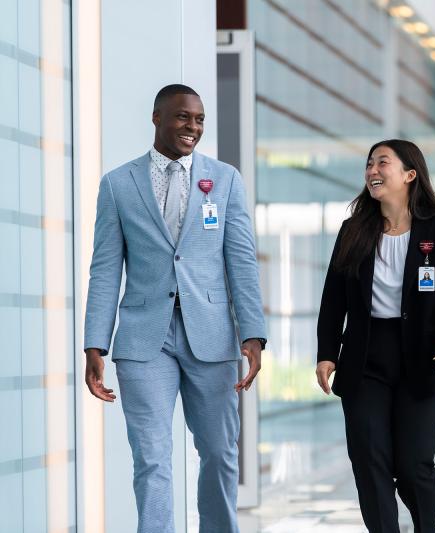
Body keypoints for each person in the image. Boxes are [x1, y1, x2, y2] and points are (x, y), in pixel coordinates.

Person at [83, 84, 266, 533]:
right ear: (157, 117)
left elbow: (240, 259)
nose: (193, 127)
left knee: (220, 452)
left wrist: (253, 333)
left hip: (213, 333)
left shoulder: (224, 180)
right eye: (184, 117)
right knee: (151, 456)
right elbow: (105, 269)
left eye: (200, 119)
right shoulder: (117, 184)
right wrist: (95, 344)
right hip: (145, 339)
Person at [316, 139, 435, 532]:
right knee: (369, 458)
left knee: (414, 462)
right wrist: (327, 352)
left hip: (424, 354)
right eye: (369, 164)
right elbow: (334, 297)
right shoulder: (354, 230)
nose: (372, 171)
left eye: (382, 163)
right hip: (366, 355)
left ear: (409, 174)